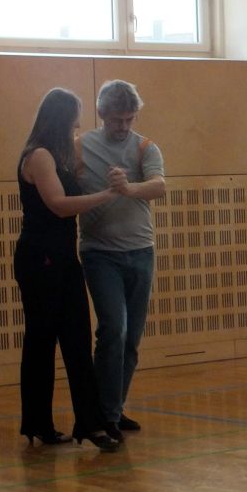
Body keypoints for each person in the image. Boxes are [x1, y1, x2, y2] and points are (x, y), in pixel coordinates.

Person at [14, 88, 121, 452]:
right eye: (74, 119)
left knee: (77, 338)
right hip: (39, 258)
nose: (78, 126)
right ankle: (38, 423)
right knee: (41, 340)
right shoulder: (39, 156)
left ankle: (89, 424)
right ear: (61, 119)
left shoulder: (59, 155)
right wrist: (107, 196)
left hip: (61, 256)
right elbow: (59, 205)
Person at [77, 80, 165, 442]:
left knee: (131, 339)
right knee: (113, 329)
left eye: (130, 119)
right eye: (117, 120)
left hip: (140, 250)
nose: (123, 126)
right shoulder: (81, 147)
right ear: (102, 114)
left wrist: (128, 188)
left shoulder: (145, 147)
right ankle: (104, 415)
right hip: (100, 253)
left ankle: (113, 407)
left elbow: (159, 186)